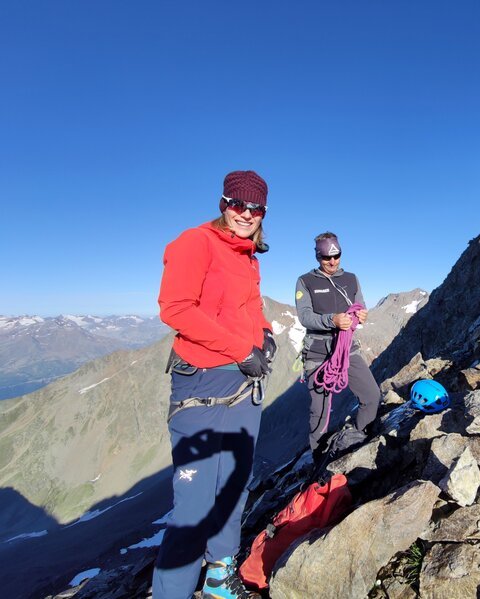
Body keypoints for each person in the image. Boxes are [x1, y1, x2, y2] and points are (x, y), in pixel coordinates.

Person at [152, 170, 274, 599]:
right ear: (223, 203)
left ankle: (220, 579)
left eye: (255, 207)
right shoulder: (195, 242)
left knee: (234, 485)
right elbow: (176, 308)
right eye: (237, 204)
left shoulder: (248, 257)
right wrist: (242, 350)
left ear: (263, 212)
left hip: (242, 389)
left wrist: (266, 333)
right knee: (194, 505)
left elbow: (250, 306)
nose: (245, 213)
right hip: (201, 384)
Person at [295, 232, 381, 453]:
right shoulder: (306, 281)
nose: (332, 262)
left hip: (346, 349)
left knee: (372, 396)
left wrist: (362, 315)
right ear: (318, 257)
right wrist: (331, 320)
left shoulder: (351, 279)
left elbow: (359, 305)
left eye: (336, 256)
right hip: (317, 353)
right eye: (326, 257)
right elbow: (305, 316)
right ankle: (318, 460)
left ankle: (358, 439)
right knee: (319, 413)